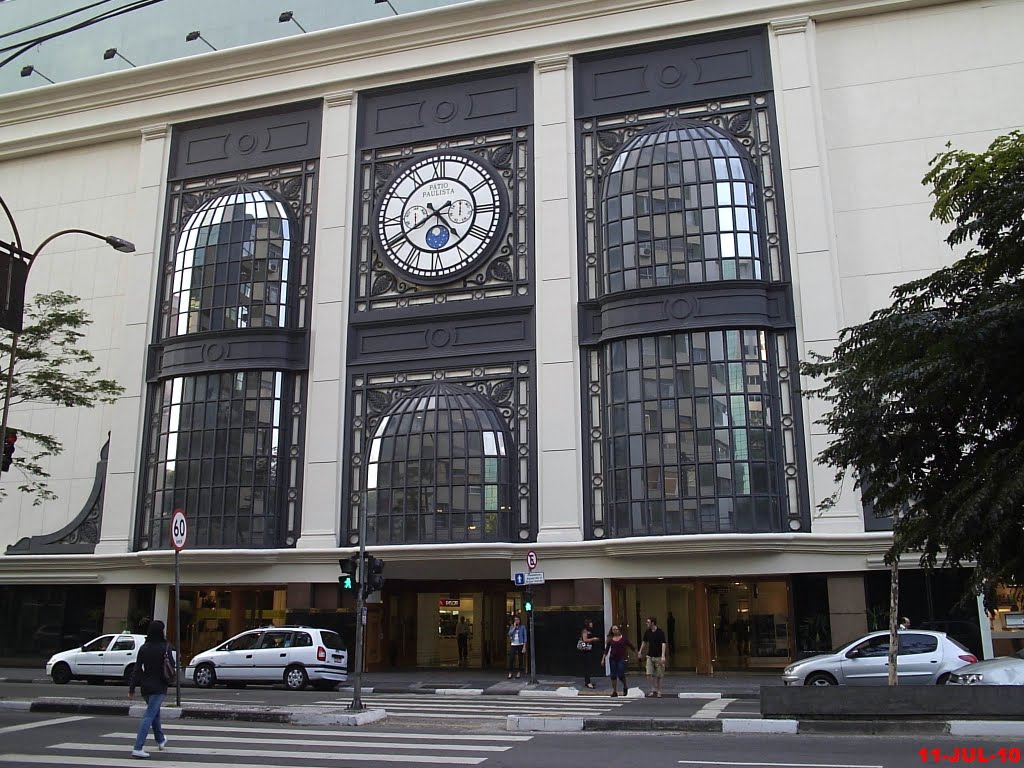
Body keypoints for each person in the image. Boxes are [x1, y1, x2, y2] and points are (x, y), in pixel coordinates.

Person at [128, 619, 171, 758]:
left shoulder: (144, 648)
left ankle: (160, 739)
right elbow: (172, 665)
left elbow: (137, 669)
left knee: (154, 714)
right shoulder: (165, 647)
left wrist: (132, 688)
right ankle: (138, 747)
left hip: (145, 686)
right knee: (149, 715)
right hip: (159, 686)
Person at [600, 624, 636, 697]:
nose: (615, 631)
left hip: (621, 659)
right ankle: (614, 691)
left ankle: (625, 686)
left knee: (620, 673)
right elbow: (606, 650)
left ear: (618, 630)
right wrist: (603, 659)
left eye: (616, 629)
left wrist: (637, 653)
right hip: (612, 659)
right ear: (612, 631)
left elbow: (631, 646)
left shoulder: (623, 639)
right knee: (613, 675)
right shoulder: (611, 639)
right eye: (614, 629)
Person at [639, 616, 667, 697]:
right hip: (650, 656)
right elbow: (644, 642)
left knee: (659, 675)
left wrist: (663, 656)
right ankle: (653, 689)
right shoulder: (647, 632)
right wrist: (640, 651)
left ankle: (659, 690)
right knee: (648, 673)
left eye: (648, 622)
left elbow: (663, 644)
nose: (646, 624)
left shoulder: (660, 632)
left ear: (652, 623)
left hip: (658, 656)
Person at [578, 617, 600, 689]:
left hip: (589, 650)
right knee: (587, 667)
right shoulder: (585, 631)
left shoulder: (589, 631)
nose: (592, 624)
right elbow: (585, 639)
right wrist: (593, 639)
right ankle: (588, 682)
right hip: (585, 651)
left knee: (589, 666)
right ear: (588, 624)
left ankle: (588, 681)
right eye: (590, 623)